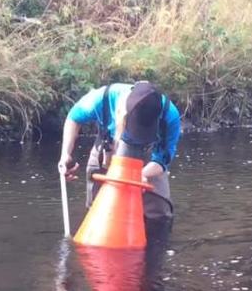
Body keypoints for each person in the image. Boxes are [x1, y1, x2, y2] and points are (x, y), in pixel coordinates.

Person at [57, 81, 182, 230]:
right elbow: (73, 117)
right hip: (109, 147)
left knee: (159, 215)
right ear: (122, 114)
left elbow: (162, 161)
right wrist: (65, 154)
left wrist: (140, 174)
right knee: (99, 210)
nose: (139, 135)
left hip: (149, 156)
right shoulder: (103, 98)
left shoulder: (170, 115)